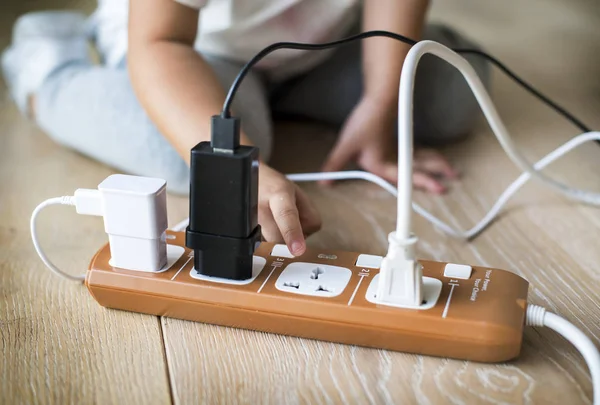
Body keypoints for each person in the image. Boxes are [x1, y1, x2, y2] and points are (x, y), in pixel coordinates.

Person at [2, 0, 489, 257]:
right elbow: (161, 42)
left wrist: (381, 103)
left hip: (314, 38)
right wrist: (241, 166)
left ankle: (276, 98)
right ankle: (47, 64)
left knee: (453, 96)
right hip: (185, 45)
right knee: (190, 163)